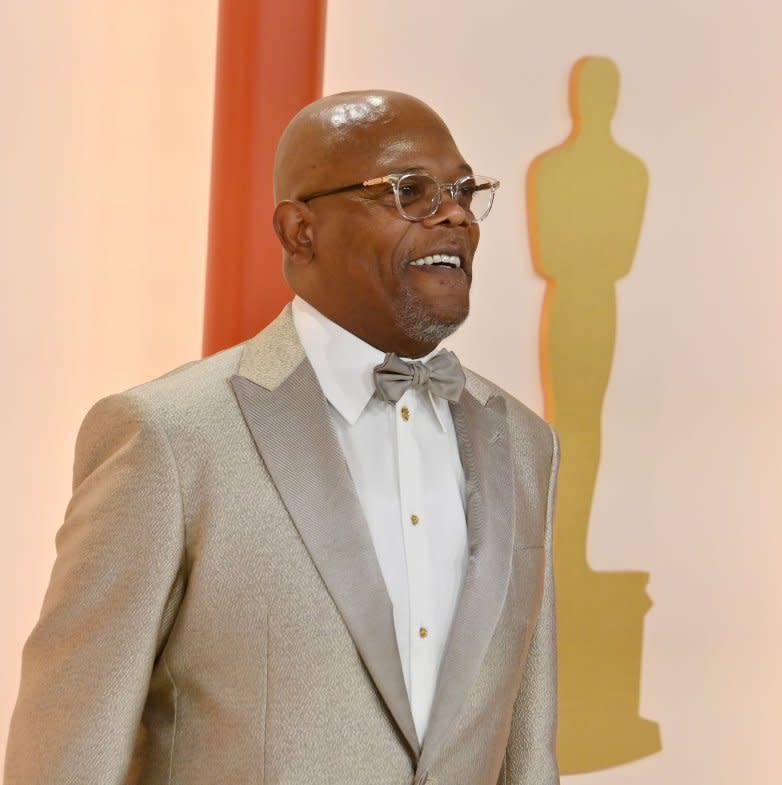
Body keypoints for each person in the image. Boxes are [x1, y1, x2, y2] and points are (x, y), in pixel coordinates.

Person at [5, 90, 560, 785]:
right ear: (301, 230)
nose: (453, 214)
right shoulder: (168, 438)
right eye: (411, 191)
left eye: (462, 191)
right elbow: (65, 757)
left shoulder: (527, 444)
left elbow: (530, 752)